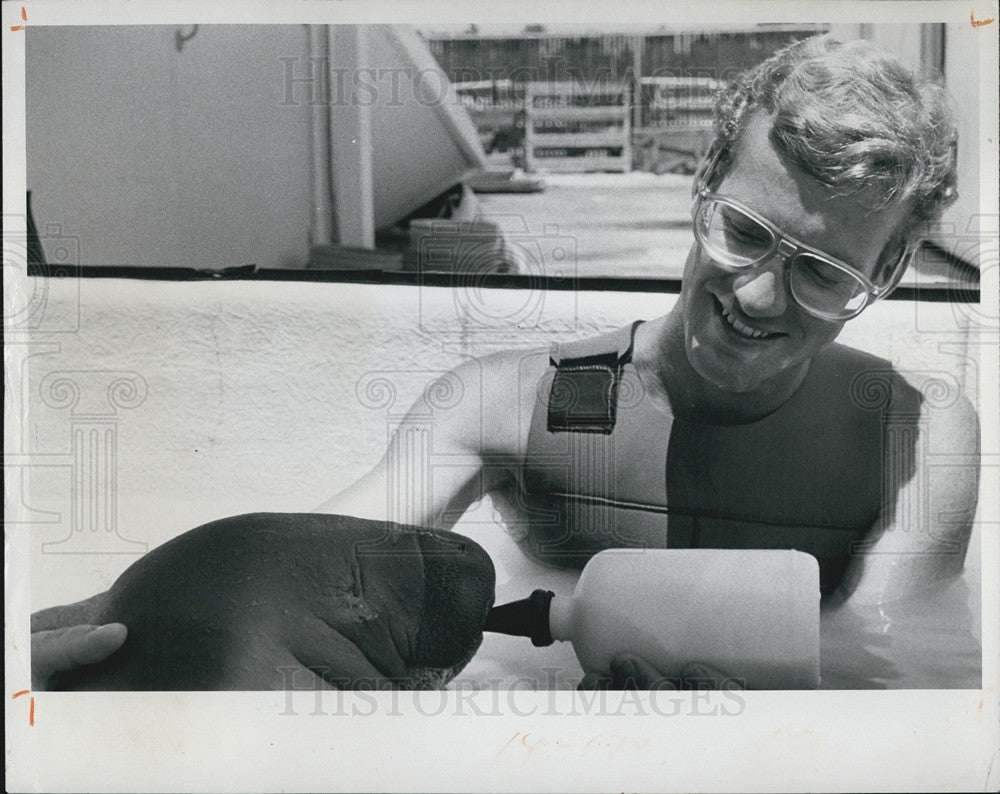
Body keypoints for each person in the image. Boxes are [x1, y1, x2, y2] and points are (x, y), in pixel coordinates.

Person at [31, 35, 978, 689]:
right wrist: (93, 629)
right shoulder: (500, 406)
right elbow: (305, 563)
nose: (759, 298)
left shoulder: (918, 438)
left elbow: (892, 663)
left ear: (888, 270)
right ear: (704, 186)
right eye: (742, 232)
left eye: (821, 274)